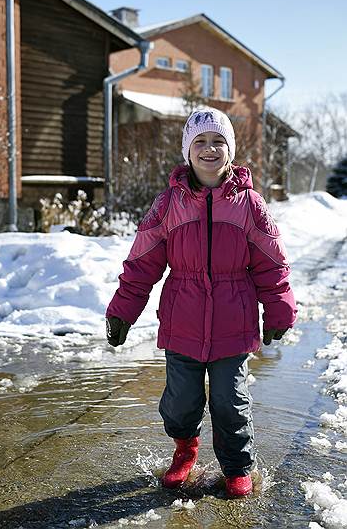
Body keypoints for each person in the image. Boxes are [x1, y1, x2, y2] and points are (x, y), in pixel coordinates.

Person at [105, 107, 297, 498]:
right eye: (200, 142)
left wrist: (279, 309)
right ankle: (184, 450)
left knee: (230, 402)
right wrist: (122, 310)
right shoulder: (168, 205)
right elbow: (141, 263)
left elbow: (272, 263)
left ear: (230, 150)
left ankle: (237, 467)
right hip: (183, 322)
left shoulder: (250, 205)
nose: (210, 149)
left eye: (218, 141)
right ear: (187, 151)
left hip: (234, 323)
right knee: (180, 402)